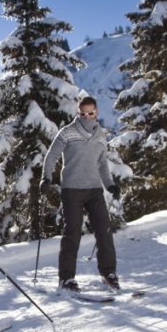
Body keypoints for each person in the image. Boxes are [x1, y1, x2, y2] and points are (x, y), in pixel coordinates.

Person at [40, 96, 122, 292]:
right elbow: (51, 156)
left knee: (104, 231)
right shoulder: (67, 132)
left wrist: (109, 185)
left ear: (96, 113)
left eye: (90, 113)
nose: (87, 117)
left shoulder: (101, 135)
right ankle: (66, 279)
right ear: (78, 113)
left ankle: (108, 273)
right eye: (83, 113)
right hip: (72, 190)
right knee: (72, 234)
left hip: (94, 190)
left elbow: (102, 164)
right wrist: (46, 178)